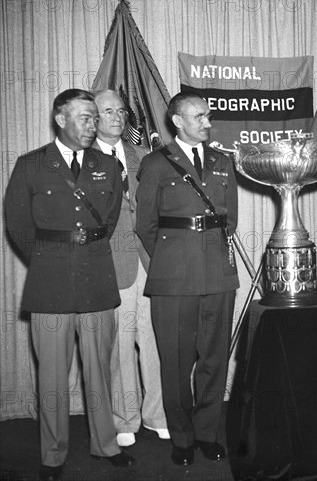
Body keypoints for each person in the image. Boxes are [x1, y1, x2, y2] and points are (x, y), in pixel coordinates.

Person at [4, 89, 135, 481]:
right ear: (61, 119)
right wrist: (48, 261)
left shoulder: (108, 165)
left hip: (97, 278)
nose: (92, 124)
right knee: (53, 375)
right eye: (83, 117)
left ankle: (105, 444)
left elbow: (109, 220)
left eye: (95, 118)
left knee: (99, 368)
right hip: (49, 283)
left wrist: (85, 251)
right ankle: (53, 455)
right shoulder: (31, 165)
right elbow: (18, 225)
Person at [136, 90, 239, 466]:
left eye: (208, 116)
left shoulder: (221, 161)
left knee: (214, 359)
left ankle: (207, 433)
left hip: (217, 275)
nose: (208, 123)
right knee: (176, 362)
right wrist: (172, 258)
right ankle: (181, 437)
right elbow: (145, 225)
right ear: (178, 121)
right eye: (199, 117)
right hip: (174, 278)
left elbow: (230, 220)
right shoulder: (156, 163)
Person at [92, 89, 169, 447]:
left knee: (154, 340)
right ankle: (126, 419)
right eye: (108, 111)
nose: (117, 117)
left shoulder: (144, 157)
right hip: (111, 264)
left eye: (121, 111)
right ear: (93, 117)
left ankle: (158, 415)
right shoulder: (82, 160)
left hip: (148, 261)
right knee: (120, 346)